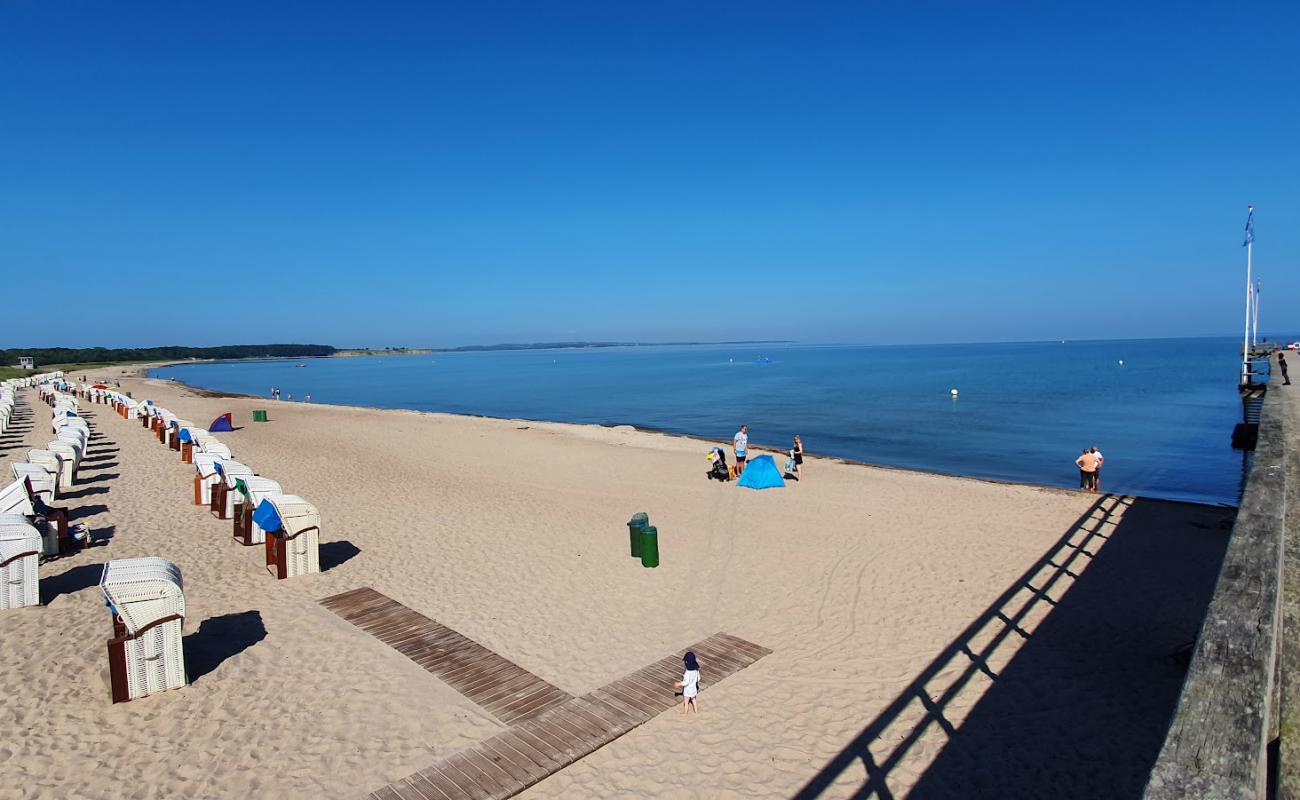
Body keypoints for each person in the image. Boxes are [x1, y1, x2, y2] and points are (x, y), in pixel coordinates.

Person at [674, 651, 701, 715]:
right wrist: (694, 681)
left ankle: (685, 713)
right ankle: (696, 710)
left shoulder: (687, 673)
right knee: (693, 699)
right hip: (694, 689)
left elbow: (686, 682)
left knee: (686, 702)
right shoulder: (696, 669)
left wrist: (679, 684)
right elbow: (699, 678)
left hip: (688, 690)